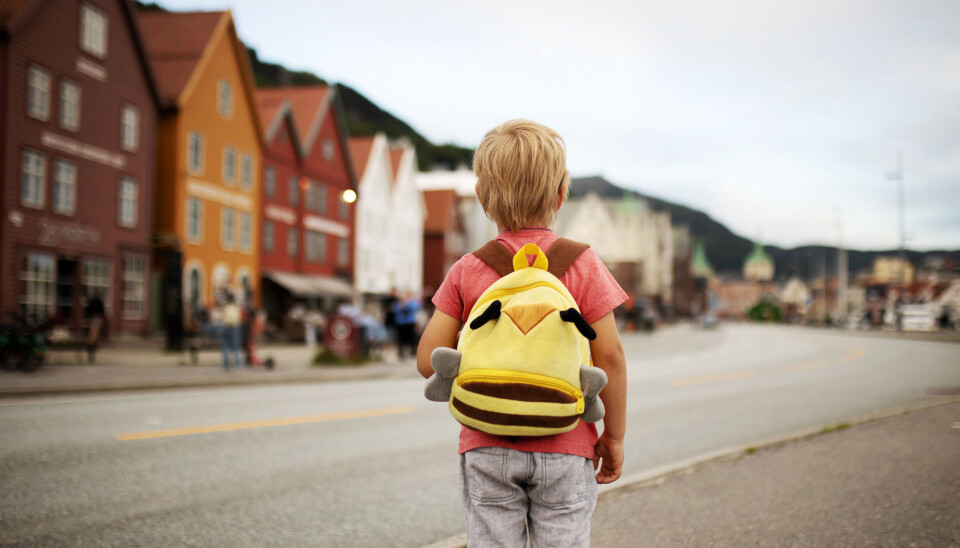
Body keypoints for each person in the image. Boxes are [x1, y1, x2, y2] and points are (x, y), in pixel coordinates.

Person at [416, 119, 628, 547]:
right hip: (567, 443)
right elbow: (610, 359)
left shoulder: (467, 269)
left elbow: (428, 361)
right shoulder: (583, 263)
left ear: (481, 198)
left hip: (486, 440)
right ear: (561, 194)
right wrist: (615, 436)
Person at [393, 292, 420, 360]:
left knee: (411, 337)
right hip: (401, 323)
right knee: (401, 338)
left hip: (409, 322)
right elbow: (395, 310)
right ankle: (401, 352)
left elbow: (416, 307)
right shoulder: (398, 303)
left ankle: (412, 351)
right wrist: (401, 305)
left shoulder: (411, 303)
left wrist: (407, 304)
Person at [220, 291, 243, 371]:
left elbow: (220, 295)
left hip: (226, 326)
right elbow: (241, 294)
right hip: (234, 327)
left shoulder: (225, 305)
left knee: (225, 347)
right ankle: (238, 364)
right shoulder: (236, 305)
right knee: (236, 347)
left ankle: (226, 366)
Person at [84, 290, 106, 363]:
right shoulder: (99, 302)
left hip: (92, 318)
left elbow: (87, 310)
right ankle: (92, 345)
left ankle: (91, 344)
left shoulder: (92, 301)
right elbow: (102, 311)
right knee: (95, 332)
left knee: (92, 332)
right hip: (97, 318)